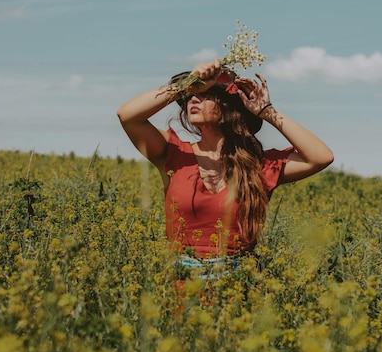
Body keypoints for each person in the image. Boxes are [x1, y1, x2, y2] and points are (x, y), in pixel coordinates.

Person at [116, 59, 334, 272]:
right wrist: (184, 85)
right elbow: (128, 116)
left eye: (205, 94)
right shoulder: (172, 153)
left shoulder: (258, 165)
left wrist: (268, 112)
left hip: (240, 291)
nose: (193, 99)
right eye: (190, 95)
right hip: (183, 291)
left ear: (229, 106)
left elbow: (320, 157)